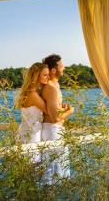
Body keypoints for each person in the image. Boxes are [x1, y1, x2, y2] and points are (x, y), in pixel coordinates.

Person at [41, 54, 74, 183]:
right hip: (53, 131)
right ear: (54, 70)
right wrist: (70, 111)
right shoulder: (51, 88)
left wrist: (61, 107)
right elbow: (54, 118)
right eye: (61, 65)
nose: (64, 67)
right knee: (53, 172)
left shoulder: (55, 85)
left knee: (56, 169)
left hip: (55, 130)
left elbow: (51, 109)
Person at [15, 62, 49, 147]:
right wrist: (68, 110)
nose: (48, 77)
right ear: (36, 76)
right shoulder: (33, 95)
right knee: (32, 160)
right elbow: (49, 111)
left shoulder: (29, 92)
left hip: (26, 132)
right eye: (45, 75)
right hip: (31, 136)